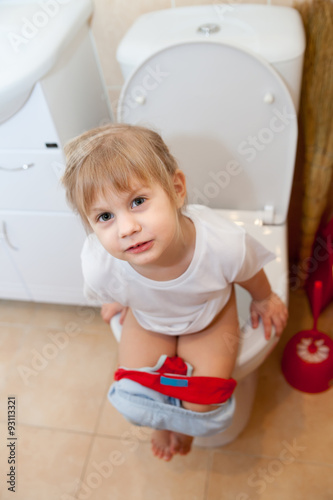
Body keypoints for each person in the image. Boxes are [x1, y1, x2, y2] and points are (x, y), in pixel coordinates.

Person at [62, 124, 288, 461]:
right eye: (105, 216)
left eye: (138, 201)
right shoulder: (99, 264)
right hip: (149, 320)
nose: (127, 229)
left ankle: (183, 425)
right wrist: (115, 296)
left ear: (176, 189)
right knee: (138, 397)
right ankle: (163, 420)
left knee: (203, 401)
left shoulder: (222, 244)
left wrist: (264, 297)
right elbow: (108, 280)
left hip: (209, 317)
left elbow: (248, 271)